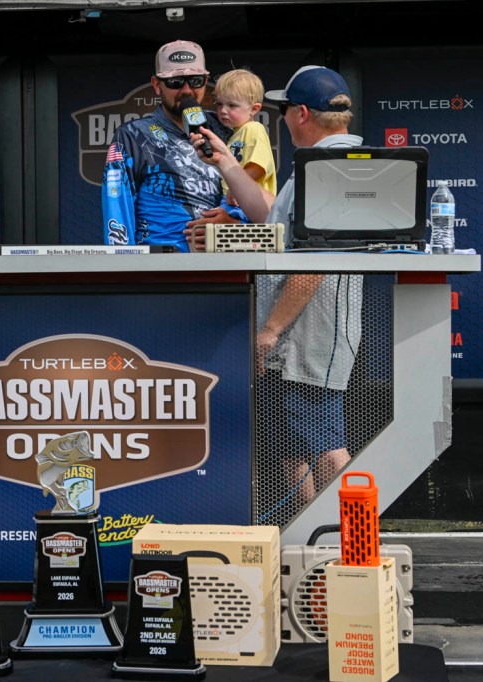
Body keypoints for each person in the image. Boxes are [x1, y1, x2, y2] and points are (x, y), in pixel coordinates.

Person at [189, 65, 364, 517]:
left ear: (301, 113)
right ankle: (313, 538)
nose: (281, 119)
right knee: (294, 446)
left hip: (306, 338)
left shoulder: (328, 168)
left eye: (284, 110)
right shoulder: (318, 165)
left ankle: (352, 542)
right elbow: (273, 221)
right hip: (297, 337)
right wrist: (227, 163)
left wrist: (270, 331)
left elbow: (314, 263)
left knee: (326, 445)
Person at [102, 40, 245, 252]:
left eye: (195, 81)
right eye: (175, 82)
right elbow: (117, 208)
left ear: (205, 82)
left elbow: (260, 198)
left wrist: (235, 224)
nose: (187, 90)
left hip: (227, 261)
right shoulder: (133, 135)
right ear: (156, 84)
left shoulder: (228, 129)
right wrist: (122, 265)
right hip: (162, 265)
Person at [211, 68, 277, 205]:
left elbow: (258, 168)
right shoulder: (235, 133)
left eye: (232, 105)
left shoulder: (254, 129)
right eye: (219, 104)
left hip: (251, 200)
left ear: (254, 109)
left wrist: (237, 188)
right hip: (233, 199)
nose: (223, 110)